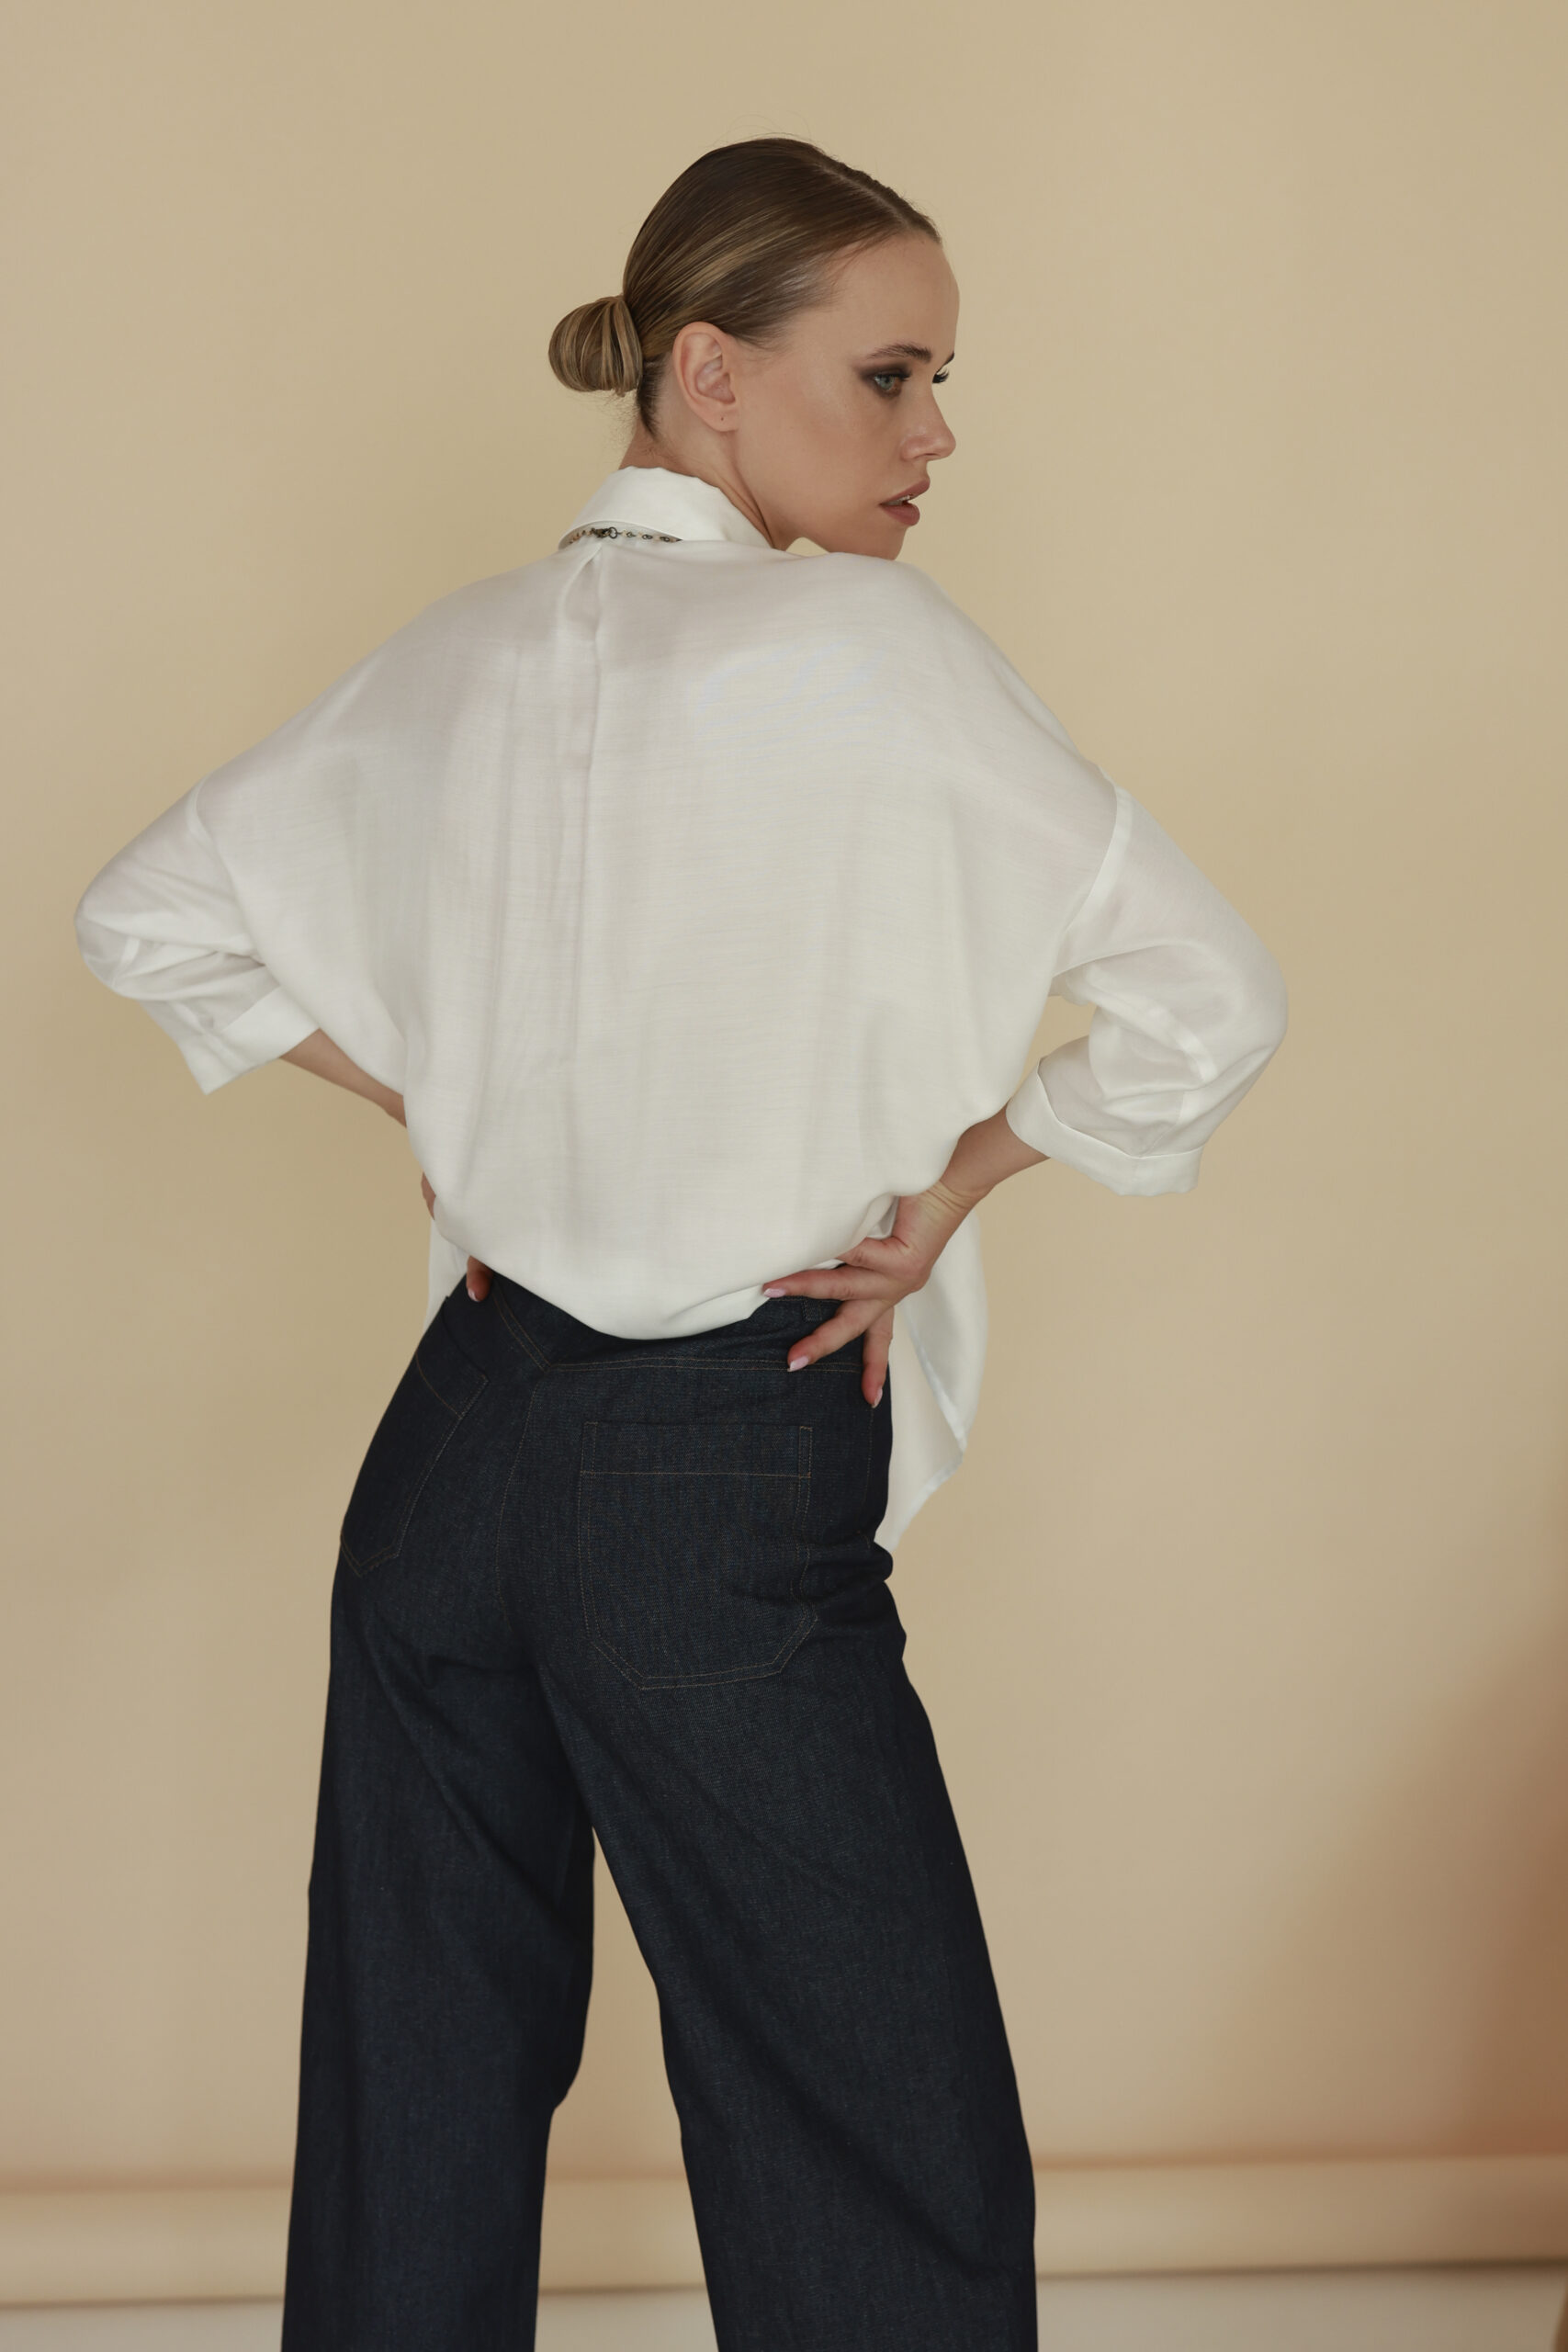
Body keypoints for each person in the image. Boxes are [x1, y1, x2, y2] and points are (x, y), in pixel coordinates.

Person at [74, 137, 1287, 2352]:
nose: (935, 434)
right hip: (718, 1463)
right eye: (892, 373)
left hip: (450, 1455)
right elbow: (1209, 997)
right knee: (867, 2122)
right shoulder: (873, 647)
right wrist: (958, 1183)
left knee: (415, 2094)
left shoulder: (450, 650)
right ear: (710, 372)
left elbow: (144, 914)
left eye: (940, 381)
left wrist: (441, 1110)